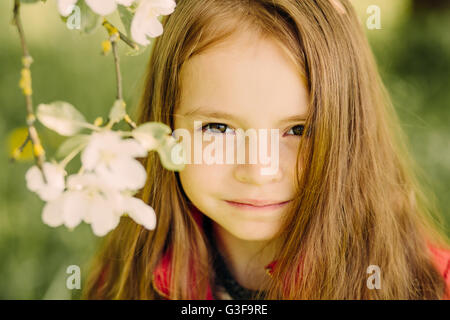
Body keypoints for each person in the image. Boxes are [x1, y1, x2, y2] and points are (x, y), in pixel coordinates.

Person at [82, 0, 450, 299]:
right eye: (218, 128)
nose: (259, 170)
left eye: (298, 130)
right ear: (164, 126)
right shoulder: (127, 273)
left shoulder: (427, 284)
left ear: (352, 131)